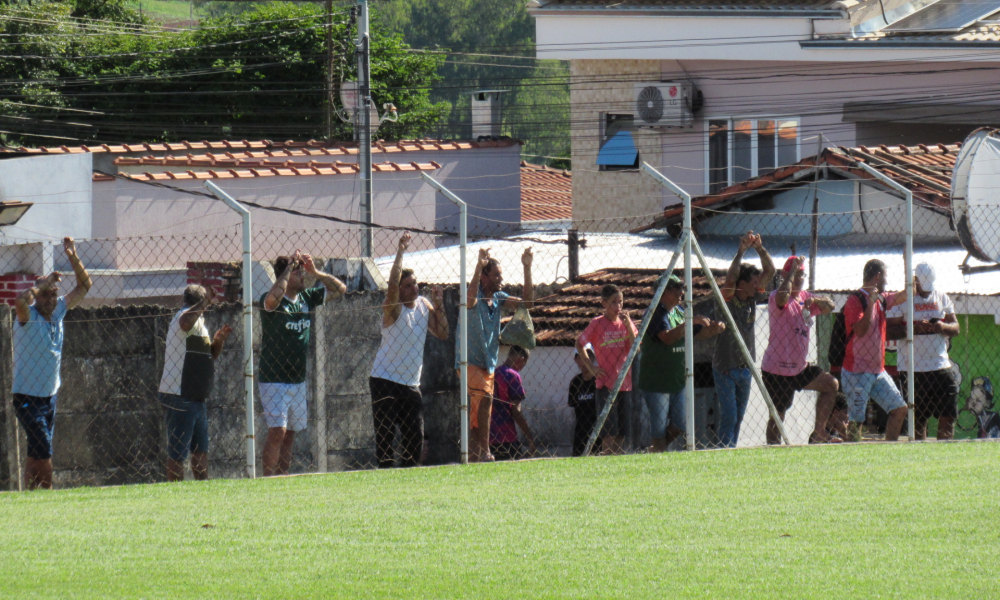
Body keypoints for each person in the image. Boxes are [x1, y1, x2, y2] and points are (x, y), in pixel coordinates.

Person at [12, 237, 91, 490]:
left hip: (49, 396)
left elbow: (85, 286)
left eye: (54, 294)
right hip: (26, 396)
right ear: (38, 296)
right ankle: (46, 497)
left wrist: (72, 256)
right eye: (47, 295)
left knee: (35, 451)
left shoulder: (58, 312)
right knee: (44, 449)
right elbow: (20, 302)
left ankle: (30, 495)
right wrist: (43, 283)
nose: (52, 299)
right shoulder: (28, 316)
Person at [260, 251, 346, 476]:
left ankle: (282, 478)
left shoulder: (307, 297)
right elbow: (271, 301)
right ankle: (266, 484)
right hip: (274, 379)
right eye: (299, 274)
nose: (303, 278)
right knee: (278, 431)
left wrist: (315, 271)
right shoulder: (272, 300)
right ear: (287, 276)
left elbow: (340, 289)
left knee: (290, 435)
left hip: (297, 380)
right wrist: (289, 269)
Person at [370, 232, 449, 468]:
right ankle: (385, 482)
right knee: (385, 438)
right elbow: (392, 284)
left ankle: (408, 479)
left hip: (411, 383)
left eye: (415, 283)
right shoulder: (392, 309)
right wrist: (401, 251)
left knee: (414, 437)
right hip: (384, 380)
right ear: (400, 290)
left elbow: (443, 333)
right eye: (408, 285)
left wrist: (440, 305)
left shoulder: (424, 306)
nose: (414, 287)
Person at [461, 247, 534, 462]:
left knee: (477, 419)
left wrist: (527, 267)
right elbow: (470, 300)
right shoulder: (475, 294)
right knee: (486, 396)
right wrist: (477, 265)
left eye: (501, 275)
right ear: (484, 277)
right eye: (496, 275)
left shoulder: (500, 298)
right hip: (468, 362)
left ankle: (473, 459)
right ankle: (486, 453)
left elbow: (528, 304)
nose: (501, 279)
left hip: (488, 365)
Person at [638, 275, 725, 452]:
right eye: (677, 288)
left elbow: (699, 334)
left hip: (677, 379)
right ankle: (659, 462)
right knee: (660, 429)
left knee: (681, 423)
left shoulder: (678, 311)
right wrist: (690, 321)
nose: (682, 292)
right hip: (657, 380)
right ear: (665, 291)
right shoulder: (655, 312)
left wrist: (714, 330)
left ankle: (655, 451)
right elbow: (667, 337)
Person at [760, 256, 840, 445]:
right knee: (778, 416)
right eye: (795, 275)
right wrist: (789, 278)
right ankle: (773, 449)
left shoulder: (805, 298)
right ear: (785, 276)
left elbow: (830, 307)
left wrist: (818, 301)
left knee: (831, 385)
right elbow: (782, 298)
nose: (800, 278)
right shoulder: (776, 296)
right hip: (777, 369)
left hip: (799, 368)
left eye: (802, 274)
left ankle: (819, 434)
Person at [158, 284, 232, 482]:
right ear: (199, 303)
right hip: (179, 395)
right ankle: (174, 496)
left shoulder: (200, 324)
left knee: (200, 453)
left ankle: (202, 494)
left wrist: (219, 340)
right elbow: (184, 322)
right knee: (178, 454)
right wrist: (206, 301)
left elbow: (212, 355)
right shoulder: (184, 317)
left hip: (197, 398)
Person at [712, 231, 775, 448]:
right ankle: (724, 450)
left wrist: (758, 247)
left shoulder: (753, 296)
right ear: (743, 283)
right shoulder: (728, 296)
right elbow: (730, 278)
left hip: (745, 367)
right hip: (725, 367)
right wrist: (741, 251)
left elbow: (771, 271)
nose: (758, 285)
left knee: (738, 416)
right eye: (754, 281)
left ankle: (731, 448)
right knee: (729, 415)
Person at [886, 262, 960, 441]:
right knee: (918, 419)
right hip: (913, 368)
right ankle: (920, 454)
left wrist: (941, 326)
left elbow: (956, 327)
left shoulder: (941, 297)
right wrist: (914, 329)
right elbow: (888, 330)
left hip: (940, 365)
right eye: (922, 287)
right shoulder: (902, 300)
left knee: (948, 416)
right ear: (914, 280)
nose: (926, 292)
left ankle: (946, 453)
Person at [841, 259, 909, 442]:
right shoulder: (855, 300)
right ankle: (852, 460)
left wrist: (907, 267)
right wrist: (870, 305)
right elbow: (860, 331)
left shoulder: (882, 298)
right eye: (885, 276)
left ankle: (887, 454)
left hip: (877, 371)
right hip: (856, 372)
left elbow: (905, 295)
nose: (886, 281)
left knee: (899, 409)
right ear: (878, 276)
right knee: (856, 422)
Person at [575, 284, 638, 455]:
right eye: (614, 303)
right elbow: (579, 344)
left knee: (622, 430)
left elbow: (635, 348)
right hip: (605, 383)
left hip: (624, 382)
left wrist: (629, 327)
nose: (618, 307)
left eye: (621, 302)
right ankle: (607, 456)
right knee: (609, 430)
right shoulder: (597, 324)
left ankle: (616, 458)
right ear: (603, 303)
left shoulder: (626, 323)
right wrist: (591, 367)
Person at [489, 346, 539, 460]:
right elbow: (516, 411)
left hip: (490, 435)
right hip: (507, 436)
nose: (521, 369)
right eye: (523, 364)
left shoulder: (494, 373)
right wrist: (530, 438)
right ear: (520, 359)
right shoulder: (513, 375)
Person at [568, 344, 601, 457]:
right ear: (576, 360)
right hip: (580, 432)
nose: (585, 361)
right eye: (581, 358)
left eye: (588, 357)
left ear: (593, 358)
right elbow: (574, 408)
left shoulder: (599, 381)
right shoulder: (575, 383)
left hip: (598, 431)